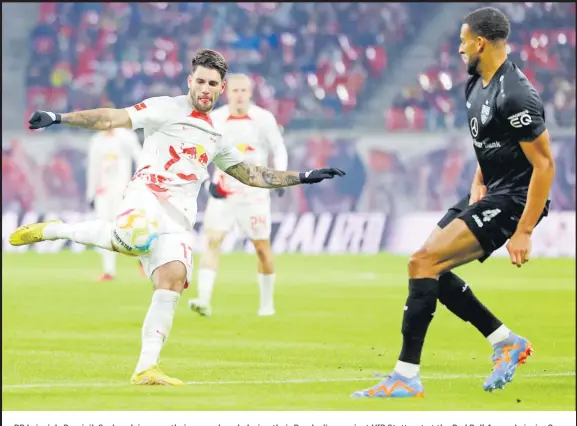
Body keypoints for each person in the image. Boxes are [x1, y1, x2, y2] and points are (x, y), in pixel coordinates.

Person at [10, 49, 345, 386]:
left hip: (180, 215)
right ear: (190, 81)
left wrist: (301, 176)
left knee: (173, 277)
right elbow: (110, 119)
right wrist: (59, 117)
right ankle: (57, 230)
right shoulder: (164, 108)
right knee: (136, 237)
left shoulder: (217, 135)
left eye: (212, 83)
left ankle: (146, 368)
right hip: (147, 194)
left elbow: (250, 174)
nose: (205, 88)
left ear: (221, 87)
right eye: (200, 81)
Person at [352, 7, 555, 398]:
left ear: (480, 42)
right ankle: (504, 340)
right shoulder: (475, 85)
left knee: (422, 262)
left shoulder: (516, 94)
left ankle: (406, 376)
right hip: (490, 190)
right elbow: (490, 145)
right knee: (428, 265)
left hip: (515, 199)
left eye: (463, 41)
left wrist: (524, 229)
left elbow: (544, 164)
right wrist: (479, 178)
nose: (460, 50)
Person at [188, 74, 288, 317]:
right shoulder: (216, 119)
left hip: (254, 195)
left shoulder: (263, 119)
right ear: (225, 91)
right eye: (235, 90)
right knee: (212, 241)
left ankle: (266, 304)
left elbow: (278, 148)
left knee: (262, 248)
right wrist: (205, 184)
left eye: (244, 90)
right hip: (223, 193)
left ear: (251, 93)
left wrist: (281, 177)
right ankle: (203, 299)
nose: (240, 95)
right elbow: (199, 153)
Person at [86, 127, 142, 281]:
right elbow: (93, 168)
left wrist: (138, 184)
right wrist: (91, 194)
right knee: (104, 229)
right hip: (103, 193)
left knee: (129, 228)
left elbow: (139, 157)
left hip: (122, 191)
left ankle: (143, 261)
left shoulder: (125, 137)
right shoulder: (97, 141)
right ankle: (109, 271)